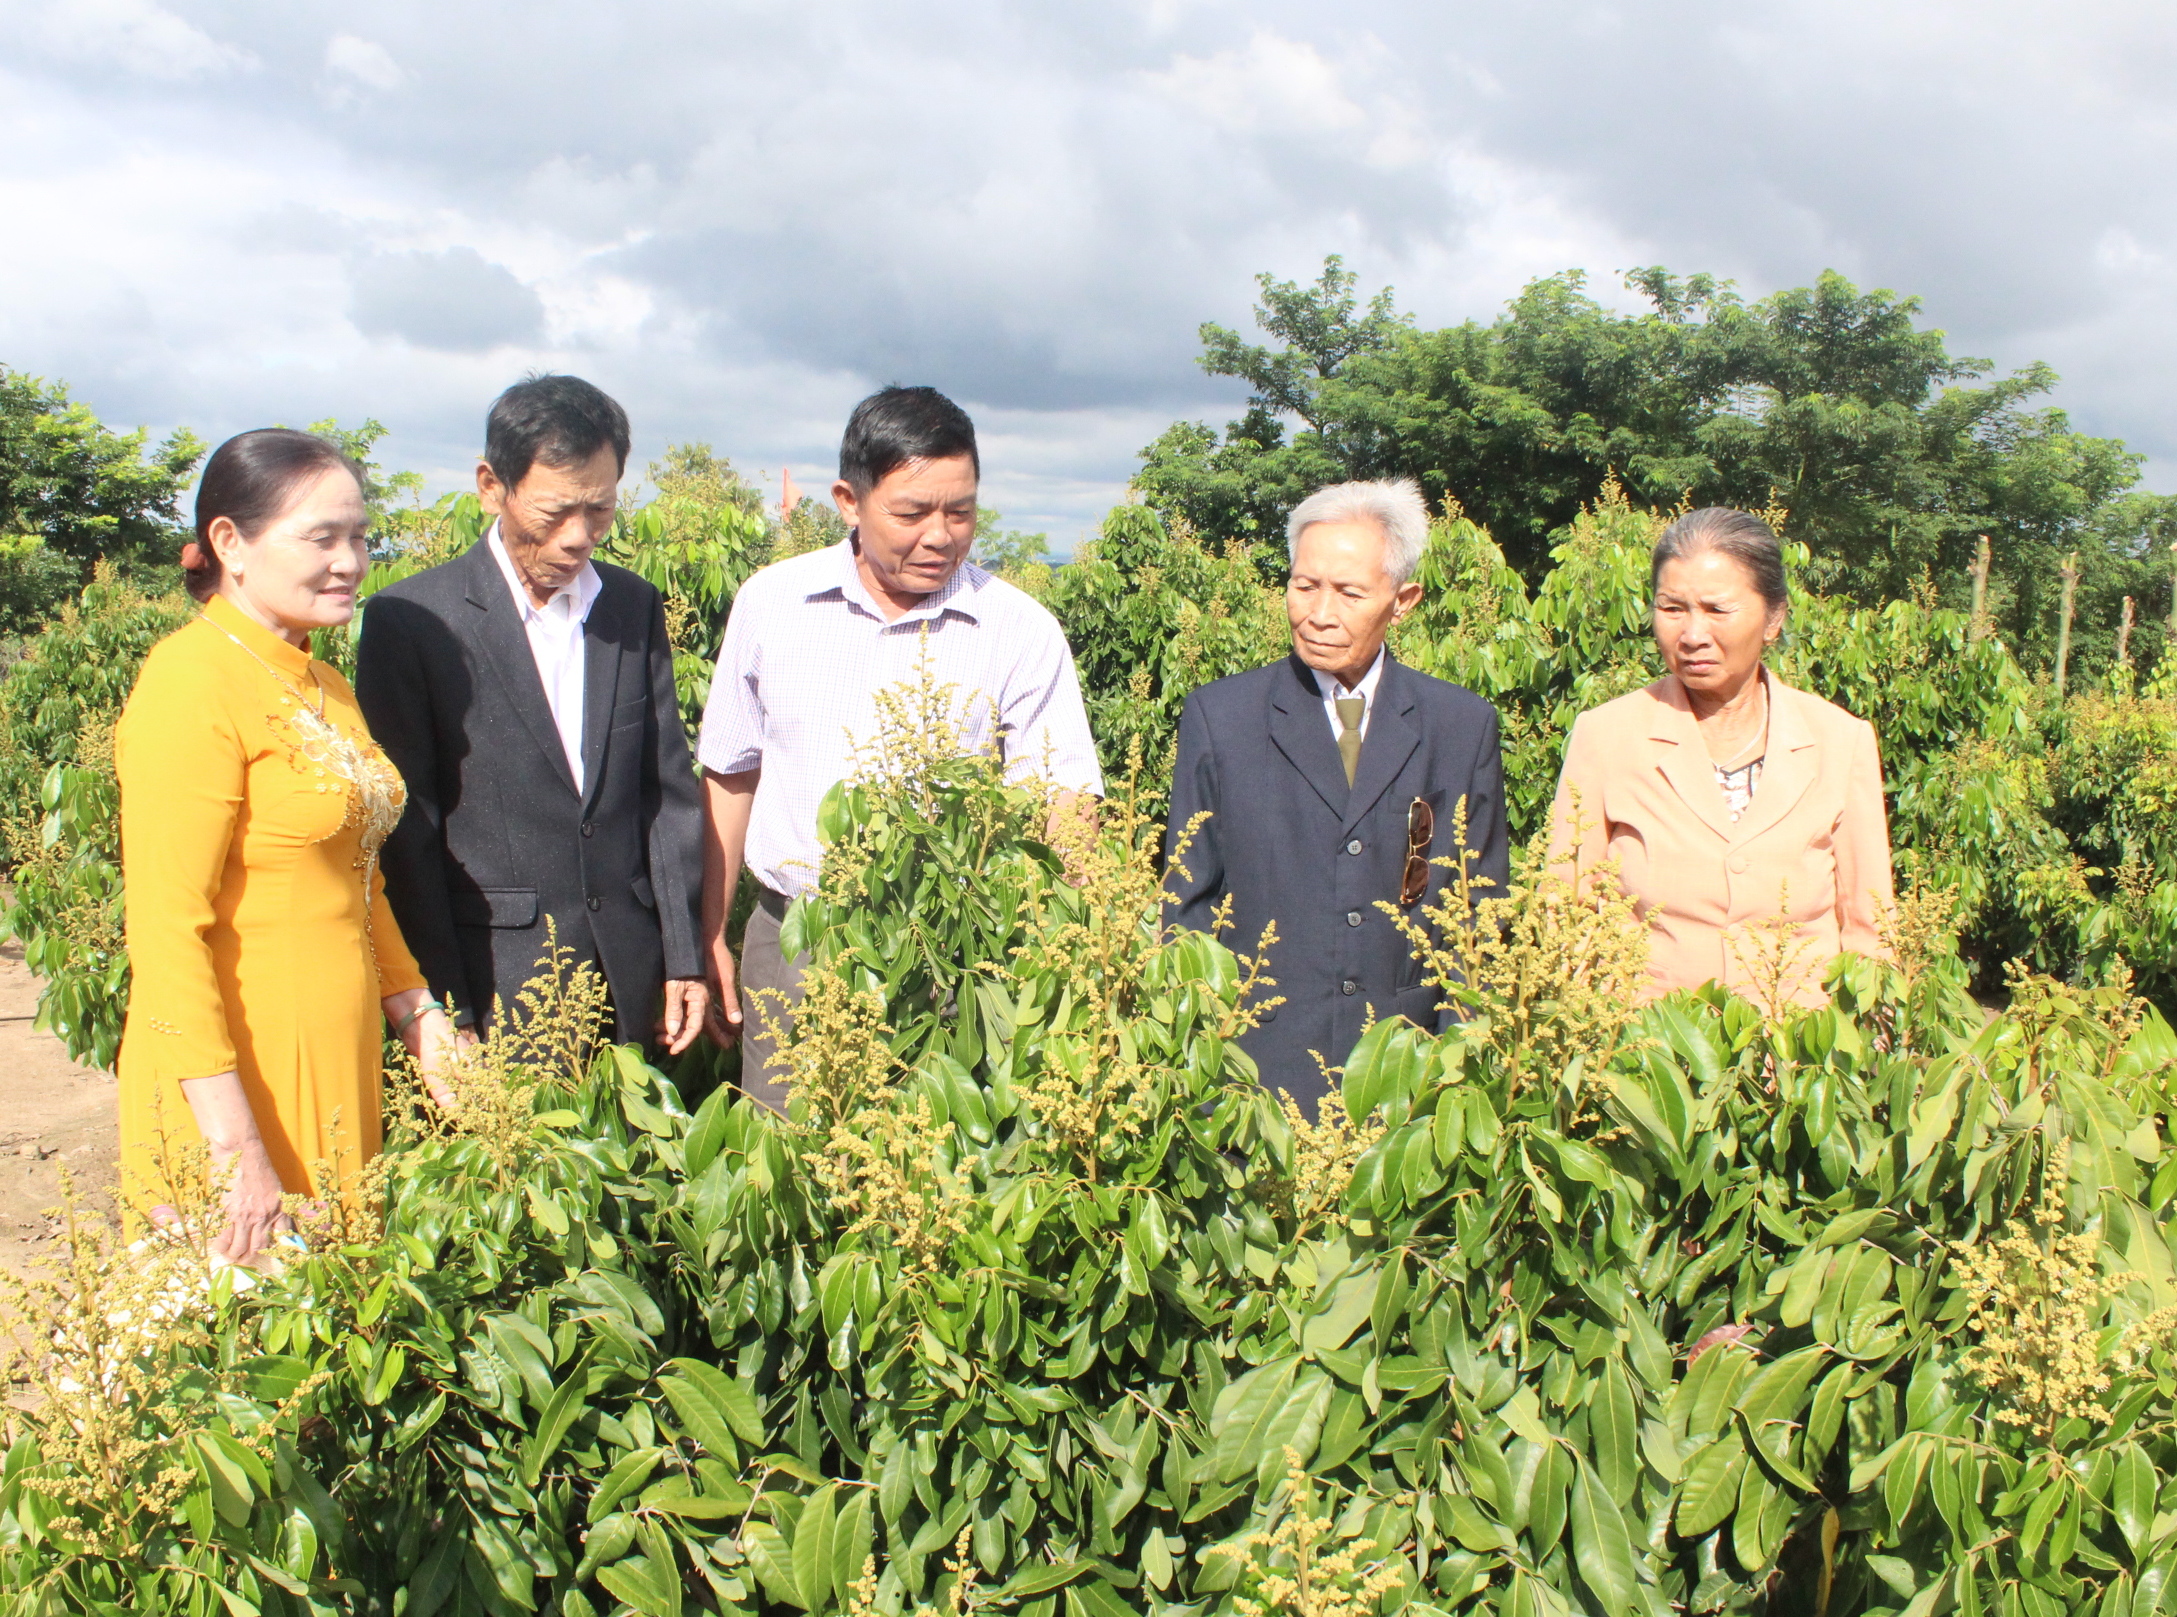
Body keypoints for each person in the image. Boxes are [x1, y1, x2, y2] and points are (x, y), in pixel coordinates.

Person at [697, 385, 1101, 1108]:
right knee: (789, 1165)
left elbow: (1063, 800)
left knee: (940, 1173)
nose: (940, 535)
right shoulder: (771, 603)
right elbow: (731, 773)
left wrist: (1064, 959)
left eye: (961, 511)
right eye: (912, 513)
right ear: (848, 502)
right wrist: (709, 933)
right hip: (798, 940)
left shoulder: (1019, 629)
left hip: (956, 955)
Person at [117, 429, 459, 1265]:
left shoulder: (322, 682)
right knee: (255, 1358)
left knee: (342, 1322)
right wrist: (236, 1150)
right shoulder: (190, 682)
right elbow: (165, 931)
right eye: (322, 538)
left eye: (360, 537)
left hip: (334, 1053)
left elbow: (358, 874)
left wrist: (418, 1017)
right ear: (230, 543)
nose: (350, 561)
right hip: (235, 1072)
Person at [357, 376, 707, 1051]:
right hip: (497, 985)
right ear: (492, 485)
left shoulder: (631, 607)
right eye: (554, 512)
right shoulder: (414, 621)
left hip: (629, 979)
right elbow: (410, 834)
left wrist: (683, 955)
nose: (579, 537)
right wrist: (443, 1007)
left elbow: (664, 793)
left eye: (600, 510)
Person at [1163, 479, 1509, 1110]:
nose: (1319, 613)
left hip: (1405, 1073)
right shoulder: (1223, 717)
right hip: (1255, 1074)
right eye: (1304, 586)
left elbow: (1478, 913)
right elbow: (1185, 906)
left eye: (1349, 593)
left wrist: (1455, 1068)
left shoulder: (1458, 726)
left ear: (1403, 600)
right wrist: (1203, 1064)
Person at [1546, 505, 1894, 1004]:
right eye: (1672, 609)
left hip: (1798, 1056)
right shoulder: (1606, 735)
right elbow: (1565, 907)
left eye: (1716, 610)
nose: (1691, 635)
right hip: (1649, 1052)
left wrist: (1867, 1054)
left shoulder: (1840, 741)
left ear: (1774, 617)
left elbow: (1870, 927)